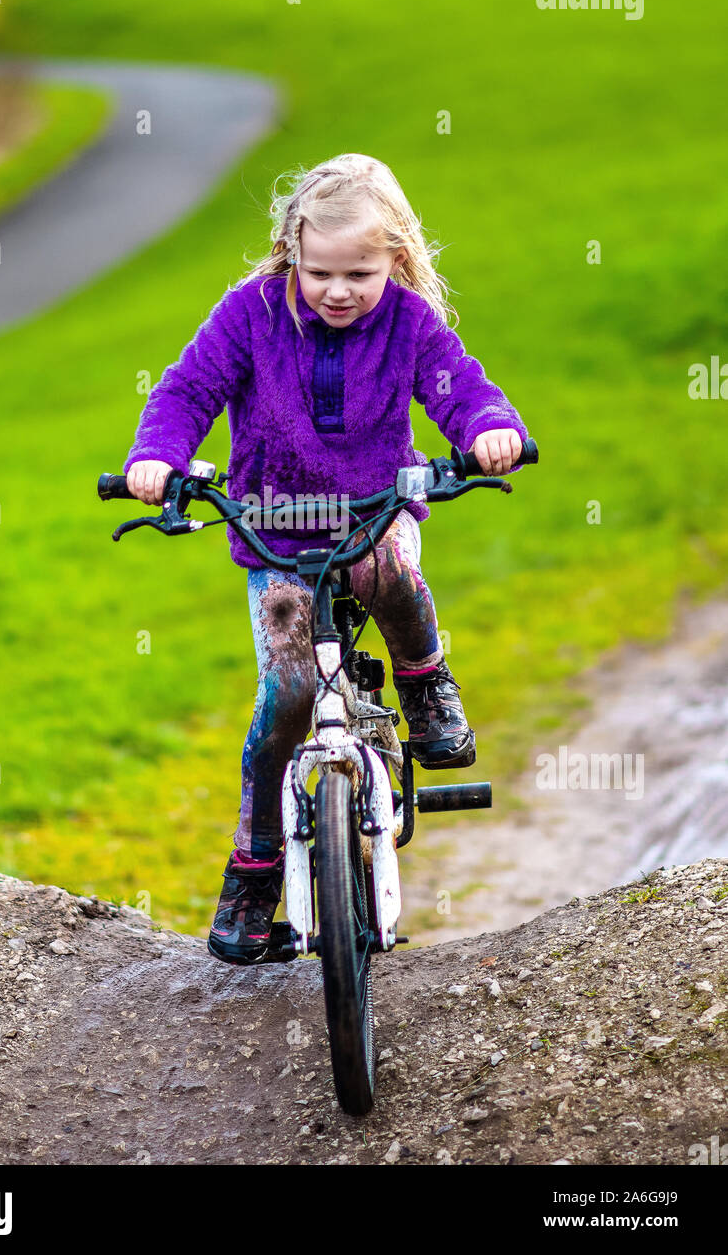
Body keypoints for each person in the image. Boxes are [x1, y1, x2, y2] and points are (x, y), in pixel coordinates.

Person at [124, 153, 527, 964]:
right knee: (287, 694)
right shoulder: (247, 315)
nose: (337, 290)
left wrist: (488, 429)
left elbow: (459, 386)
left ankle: (424, 682)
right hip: (275, 530)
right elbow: (186, 391)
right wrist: (158, 456)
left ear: (396, 262)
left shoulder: (409, 324)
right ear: (288, 255)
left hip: (373, 512)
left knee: (388, 573)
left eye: (359, 273)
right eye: (318, 273)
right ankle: (253, 871)